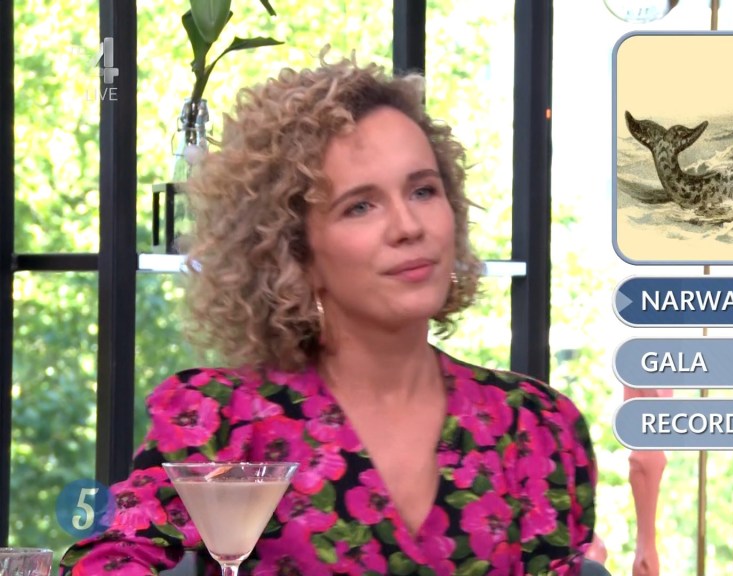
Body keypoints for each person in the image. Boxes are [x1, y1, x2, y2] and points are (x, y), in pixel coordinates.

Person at [59, 49, 598, 575]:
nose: (409, 226)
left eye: (423, 191)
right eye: (360, 206)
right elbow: (103, 561)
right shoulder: (221, 417)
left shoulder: (538, 425)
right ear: (293, 251)